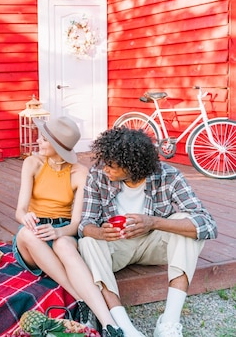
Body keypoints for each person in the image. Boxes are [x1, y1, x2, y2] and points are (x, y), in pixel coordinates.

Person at [78, 127, 218, 337]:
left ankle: (169, 323)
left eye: (112, 166)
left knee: (185, 222)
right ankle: (124, 326)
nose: (105, 169)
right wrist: (99, 233)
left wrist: (153, 222)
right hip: (117, 247)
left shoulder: (169, 176)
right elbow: (85, 223)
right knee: (87, 241)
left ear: (133, 166)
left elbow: (207, 224)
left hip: (155, 245)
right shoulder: (98, 174)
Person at [12, 117, 124, 337]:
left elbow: (75, 224)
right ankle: (82, 299)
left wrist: (58, 232)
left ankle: (111, 325)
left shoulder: (79, 173)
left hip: (62, 229)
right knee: (27, 234)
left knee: (64, 245)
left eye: (44, 139)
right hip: (33, 233)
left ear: (57, 146)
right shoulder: (32, 163)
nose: (38, 141)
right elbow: (20, 211)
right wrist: (26, 218)